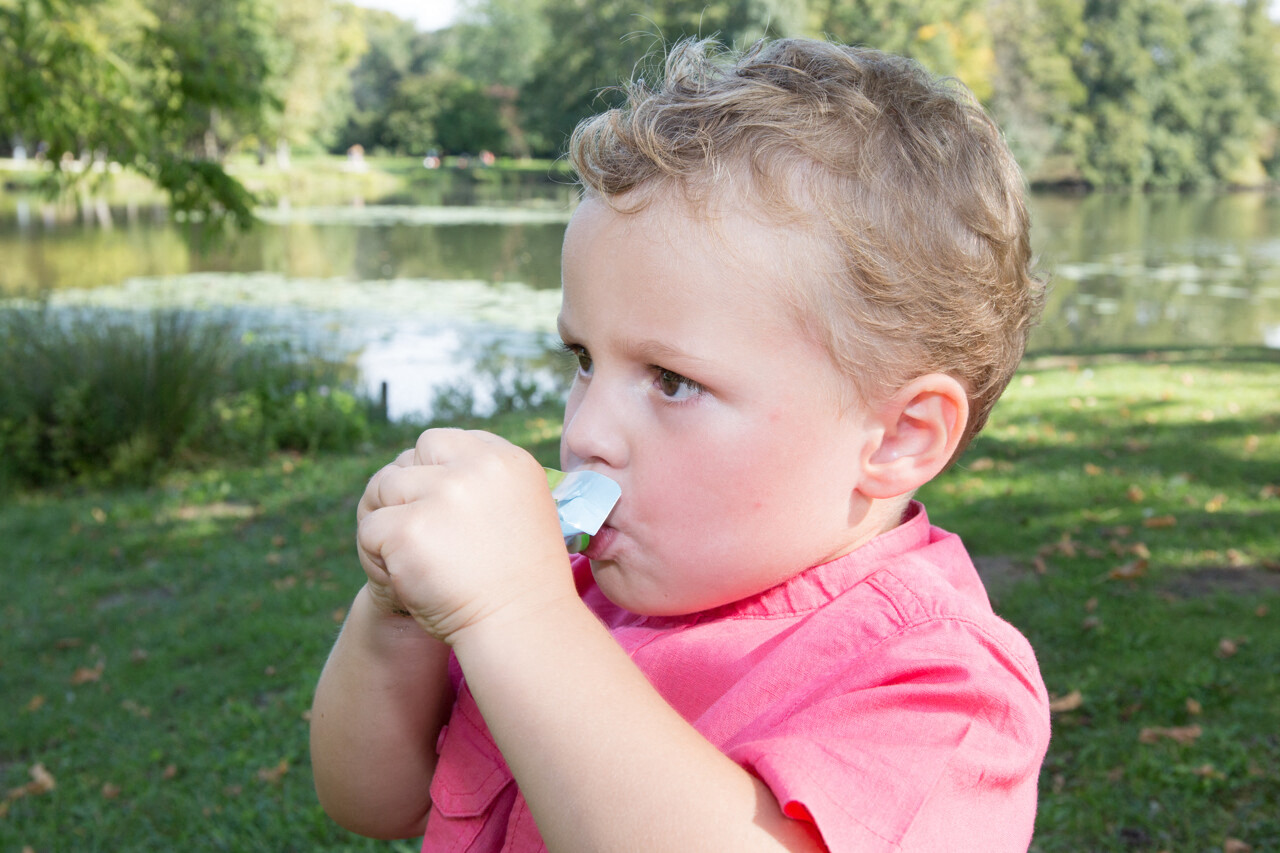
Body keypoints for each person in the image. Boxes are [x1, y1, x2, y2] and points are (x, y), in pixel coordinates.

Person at [310, 37, 1051, 853]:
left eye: (671, 380)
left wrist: (518, 616)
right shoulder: (573, 585)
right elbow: (373, 800)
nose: (585, 430)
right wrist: (396, 614)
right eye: (584, 360)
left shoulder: (940, 683)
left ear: (898, 437)